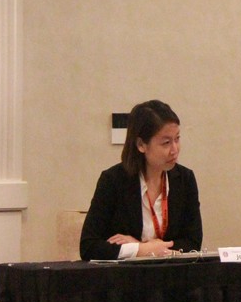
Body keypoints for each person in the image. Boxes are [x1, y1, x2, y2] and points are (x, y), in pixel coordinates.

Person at [80, 99, 202, 260]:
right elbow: (89, 247)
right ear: (141, 145)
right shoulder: (113, 180)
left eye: (177, 139)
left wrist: (146, 247)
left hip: (172, 273)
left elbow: (193, 243)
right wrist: (141, 249)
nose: (175, 150)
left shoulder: (185, 179)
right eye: (166, 143)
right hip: (126, 274)